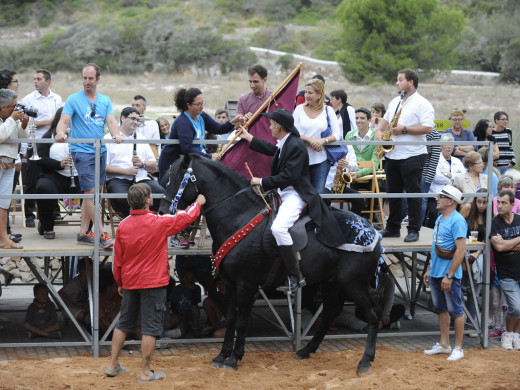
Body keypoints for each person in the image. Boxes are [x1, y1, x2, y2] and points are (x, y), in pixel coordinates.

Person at [105, 183, 205, 382]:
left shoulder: (123, 225)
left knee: (123, 323)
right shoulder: (159, 222)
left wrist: (120, 282)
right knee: (151, 328)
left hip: (130, 282)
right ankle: (145, 371)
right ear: (147, 201)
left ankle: (112, 364)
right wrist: (198, 203)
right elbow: (185, 218)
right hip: (153, 283)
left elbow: (118, 260)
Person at [240, 109, 344, 292]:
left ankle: (296, 276)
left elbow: (289, 176)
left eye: (272, 124)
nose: (270, 127)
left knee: (278, 228)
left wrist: (261, 181)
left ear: (279, 127)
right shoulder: (286, 141)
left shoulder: (295, 145)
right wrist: (249, 138)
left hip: (296, 194)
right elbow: (273, 150)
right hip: (283, 192)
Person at [55, 63, 123, 248]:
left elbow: (111, 120)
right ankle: (102, 234)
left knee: (93, 194)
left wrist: (116, 134)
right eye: (84, 77)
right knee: (90, 193)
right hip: (82, 151)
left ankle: (83, 233)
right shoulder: (73, 99)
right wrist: (60, 132)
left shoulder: (105, 100)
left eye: (90, 78)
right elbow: (64, 120)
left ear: (97, 79)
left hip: (100, 150)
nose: (87, 81)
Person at [375, 69, 434, 242]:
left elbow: (428, 128)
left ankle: (414, 229)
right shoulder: (395, 101)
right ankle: (393, 227)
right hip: (392, 154)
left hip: (413, 154)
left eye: (400, 80)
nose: (397, 83)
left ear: (410, 82)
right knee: (393, 193)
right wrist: (379, 132)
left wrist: (405, 129)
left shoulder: (423, 103)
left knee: (413, 193)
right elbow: (384, 123)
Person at [158, 87, 241, 181]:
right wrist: (209, 157)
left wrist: (232, 122)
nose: (202, 106)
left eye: (203, 102)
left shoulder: (201, 115)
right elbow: (187, 149)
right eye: (198, 104)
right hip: (172, 162)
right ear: (188, 105)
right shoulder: (183, 122)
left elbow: (219, 128)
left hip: (190, 161)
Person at [423, 185, 467, 361]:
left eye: (441, 196)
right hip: (436, 272)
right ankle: (444, 344)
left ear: (450, 201)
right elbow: (436, 248)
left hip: (448, 275)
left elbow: (461, 251)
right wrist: (429, 269)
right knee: (441, 308)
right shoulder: (440, 219)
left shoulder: (457, 221)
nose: (437, 198)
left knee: (456, 310)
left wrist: (449, 275)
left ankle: (458, 347)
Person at [21, 69, 63, 228]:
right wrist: (47, 122)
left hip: (54, 145)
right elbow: (24, 124)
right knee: (32, 180)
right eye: (34, 79)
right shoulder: (28, 99)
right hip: (36, 144)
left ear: (48, 81)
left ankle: (55, 211)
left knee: (53, 177)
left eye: (38, 79)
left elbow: (61, 119)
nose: (35, 81)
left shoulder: (57, 98)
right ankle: (29, 214)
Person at [105, 107, 164, 217]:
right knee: (123, 199)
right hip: (118, 179)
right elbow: (104, 168)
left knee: (161, 194)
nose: (136, 122)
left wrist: (143, 164)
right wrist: (125, 172)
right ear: (123, 118)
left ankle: (148, 222)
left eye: (138, 120)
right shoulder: (108, 138)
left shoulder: (141, 138)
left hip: (141, 179)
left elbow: (153, 165)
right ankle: (135, 224)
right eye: (133, 119)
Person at [35, 107, 79, 239]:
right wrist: (59, 164)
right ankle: (47, 225)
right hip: (54, 175)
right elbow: (41, 158)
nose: (69, 123)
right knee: (43, 187)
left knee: (90, 189)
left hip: (77, 175)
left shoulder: (81, 135)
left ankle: (86, 229)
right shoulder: (49, 135)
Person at [294, 78, 341, 194]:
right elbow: (292, 132)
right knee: (303, 194)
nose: (306, 95)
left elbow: (337, 134)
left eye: (310, 93)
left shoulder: (328, 110)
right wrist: (310, 140)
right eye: (306, 92)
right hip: (301, 159)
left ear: (319, 95)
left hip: (321, 160)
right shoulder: (299, 109)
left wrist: (322, 141)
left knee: (318, 194)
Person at [490, 190, 520, 350]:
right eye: (498, 202)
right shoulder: (495, 223)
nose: (500, 206)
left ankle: (516, 335)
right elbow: (499, 247)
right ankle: (508, 333)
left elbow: (504, 244)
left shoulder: (519, 220)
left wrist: (507, 243)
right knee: (516, 307)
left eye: (503, 203)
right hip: (506, 273)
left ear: (512, 204)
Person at [0, 88, 29, 249]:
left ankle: (3, 239)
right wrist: (12, 119)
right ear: (3, 107)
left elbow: (21, 138)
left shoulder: (11, 117)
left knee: (3, 204)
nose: (16, 109)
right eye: (13, 106)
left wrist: (23, 125)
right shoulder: (10, 118)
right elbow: (1, 135)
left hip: (9, 164)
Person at [459, 188, 488, 333]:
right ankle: (456, 318)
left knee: (474, 291)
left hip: (477, 253)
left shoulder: (490, 215)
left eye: (485, 202)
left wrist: (477, 252)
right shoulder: (468, 208)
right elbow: (457, 225)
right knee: (457, 288)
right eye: (479, 202)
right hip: (463, 250)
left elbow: (487, 237)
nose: (482, 205)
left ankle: (471, 324)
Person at [426, 133, 465, 227]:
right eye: (446, 145)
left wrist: (449, 175)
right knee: (434, 215)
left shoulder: (457, 161)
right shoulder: (435, 160)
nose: (449, 147)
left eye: (451, 145)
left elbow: (463, 177)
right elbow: (437, 177)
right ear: (441, 146)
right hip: (436, 195)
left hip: (454, 196)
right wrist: (453, 180)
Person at [345, 108, 380, 182]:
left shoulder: (375, 136)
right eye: (357, 118)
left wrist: (358, 173)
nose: (358, 121)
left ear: (369, 120)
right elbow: (346, 158)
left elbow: (375, 164)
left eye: (362, 118)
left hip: (370, 177)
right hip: (351, 176)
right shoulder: (349, 135)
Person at [164, 269, 202, 338]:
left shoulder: (196, 288)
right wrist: (177, 315)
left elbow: (195, 302)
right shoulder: (177, 289)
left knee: (195, 309)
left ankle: (195, 328)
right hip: (179, 315)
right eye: (187, 278)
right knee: (180, 330)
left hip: (190, 313)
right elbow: (173, 303)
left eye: (191, 278)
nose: (189, 281)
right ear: (183, 279)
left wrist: (192, 290)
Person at [492, 111, 515, 175]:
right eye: (503, 119)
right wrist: (491, 161)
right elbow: (489, 149)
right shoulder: (491, 133)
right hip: (496, 167)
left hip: (508, 166)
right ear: (497, 121)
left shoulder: (508, 131)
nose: (505, 121)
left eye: (506, 119)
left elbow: (510, 147)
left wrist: (513, 161)